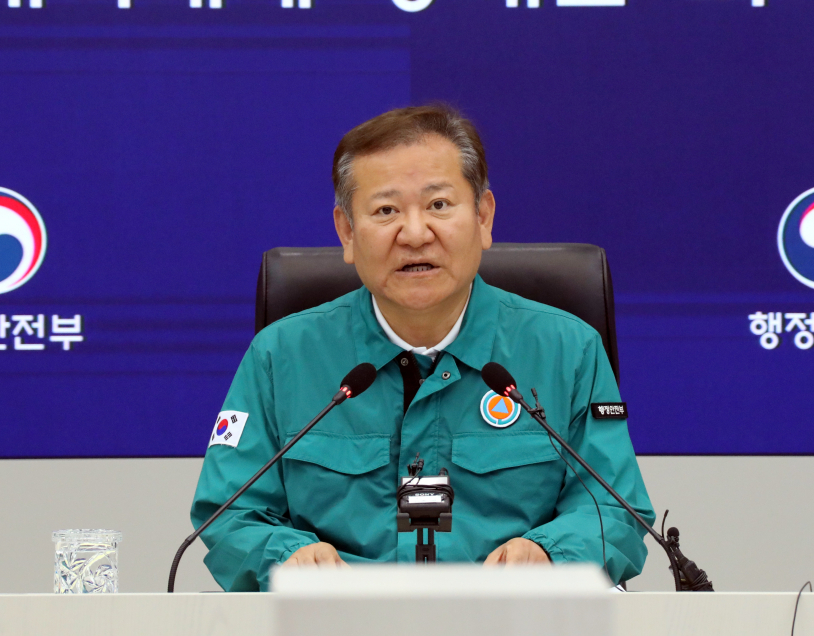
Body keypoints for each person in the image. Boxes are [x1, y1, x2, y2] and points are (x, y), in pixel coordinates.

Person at [190, 105, 654, 591]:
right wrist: (290, 556)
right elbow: (230, 514)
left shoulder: (567, 350)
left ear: (483, 217)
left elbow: (615, 512)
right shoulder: (280, 357)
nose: (414, 234)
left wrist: (548, 554)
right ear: (347, 232)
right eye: (386, 211)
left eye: (438, 205)